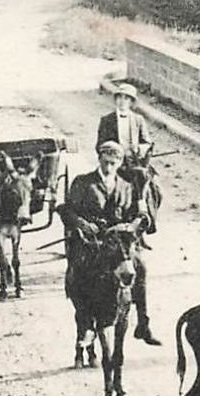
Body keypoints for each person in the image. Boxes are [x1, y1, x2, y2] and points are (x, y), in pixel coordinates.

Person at [63, 140, 160, 345]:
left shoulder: (126, 187)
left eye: (113, 163)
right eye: (105, 162)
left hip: (119, 242)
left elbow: (141, 214)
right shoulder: (83, 182)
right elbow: (67, 210)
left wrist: (132, 225)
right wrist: (82, 224)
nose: (108, 167)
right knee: (80, 271)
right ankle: (86, 320)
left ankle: (143, 323)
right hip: (93, 241)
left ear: (119, 163)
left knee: (140, 266)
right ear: (99, 159)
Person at [96, 82, 160, 231]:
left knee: (154, 187)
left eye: (126, 98)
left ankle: (145, 217)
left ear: (131, 102)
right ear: (116, 100)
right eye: (120, 98)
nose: (122, 101)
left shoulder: (138, 120)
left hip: (135, 163)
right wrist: (112, 151)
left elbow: (146, 142)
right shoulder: (107, 120)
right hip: (114, 164)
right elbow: (99, 145)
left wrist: (142, 149)